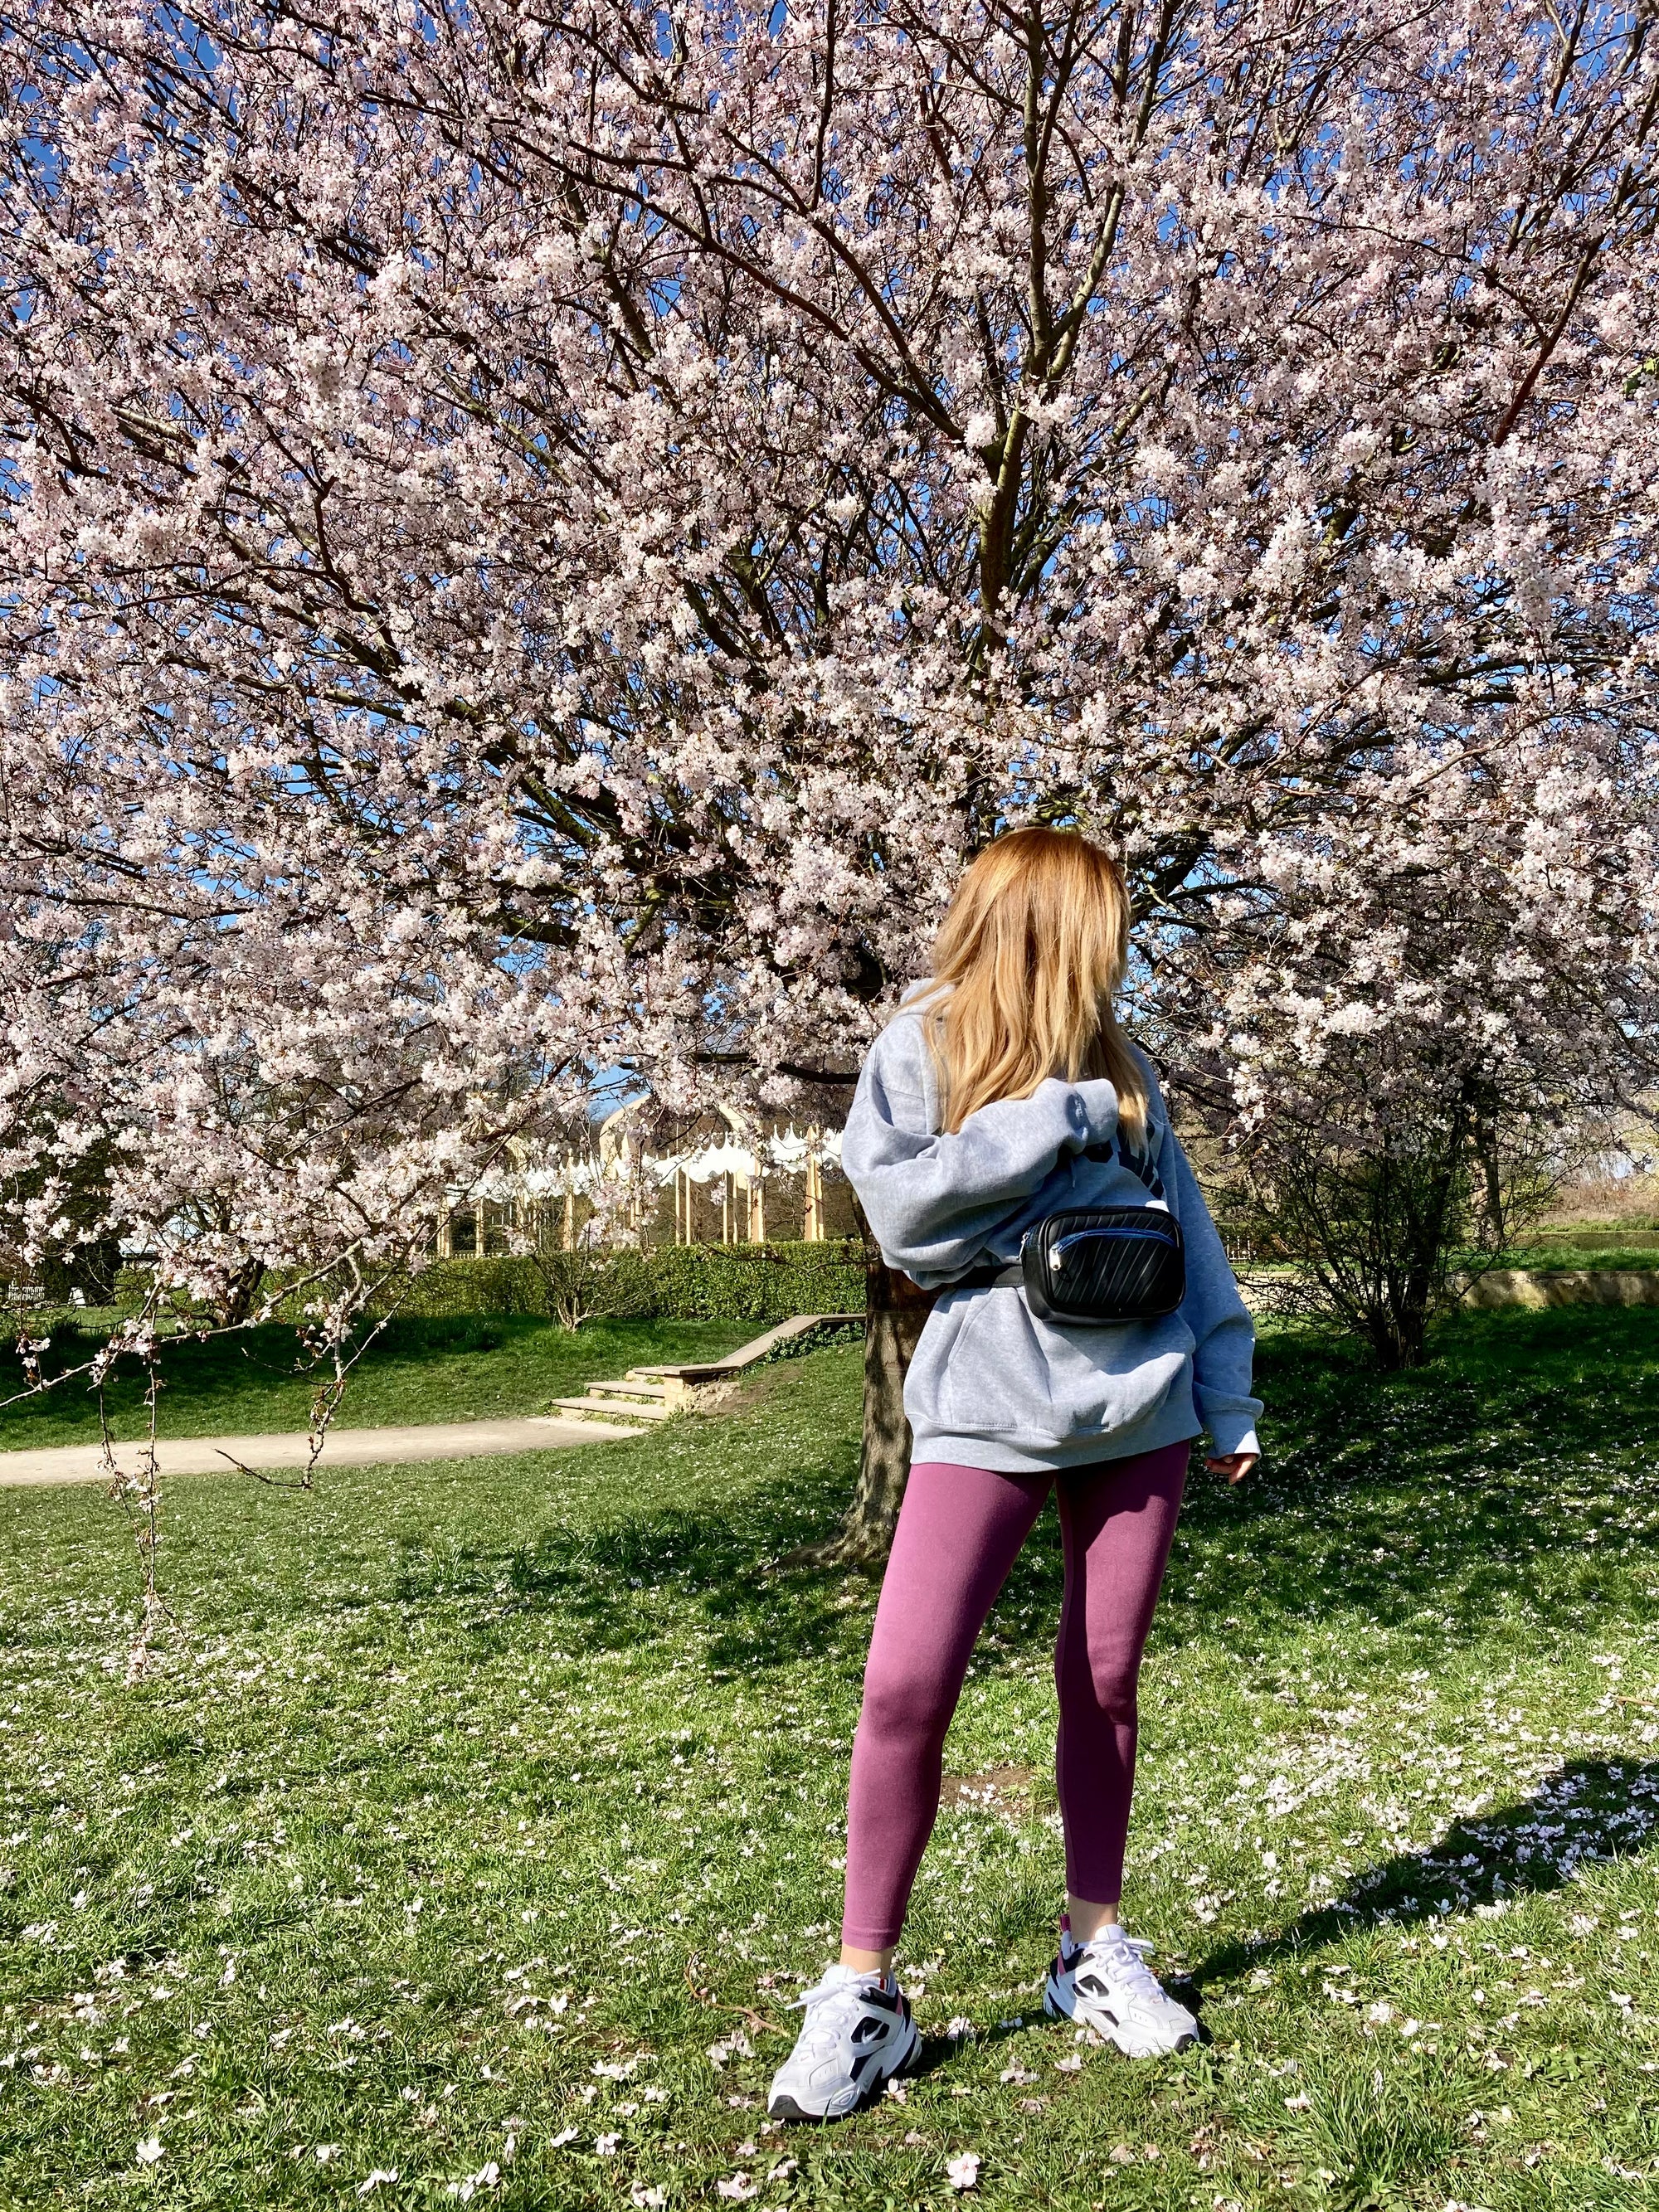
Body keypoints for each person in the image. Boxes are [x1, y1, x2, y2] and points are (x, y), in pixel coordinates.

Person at [766, 826, 1261, 2122]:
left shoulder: (1126, 1065)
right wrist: (1054, 1121)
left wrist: (1227, 1394)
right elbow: (905, 1218)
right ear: (1041, 922)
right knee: (904, 1686)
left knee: (1103, 1682)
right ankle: (863, 1993)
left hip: (1139, 1409)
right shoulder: (921, 1047)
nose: (1118, 944)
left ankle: (1091, 1951)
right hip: (983, 1414)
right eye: (1100, 920)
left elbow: (1191, 1241)